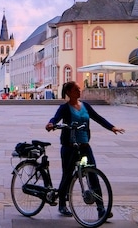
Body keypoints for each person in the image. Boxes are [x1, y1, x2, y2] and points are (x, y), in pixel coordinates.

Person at [45, 81, 124, 218]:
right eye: (76, 89)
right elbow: (56, 118)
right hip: (69, 147)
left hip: (84, 145)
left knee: (92, 174)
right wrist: (51, 123)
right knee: (68, 175)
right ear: (69, 92)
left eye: (79, 88)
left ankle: (101, 209)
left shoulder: (85, 106)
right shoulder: (64, 108)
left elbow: (98, 118)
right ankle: (62, 204)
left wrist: (112, 127)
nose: (79, 91)